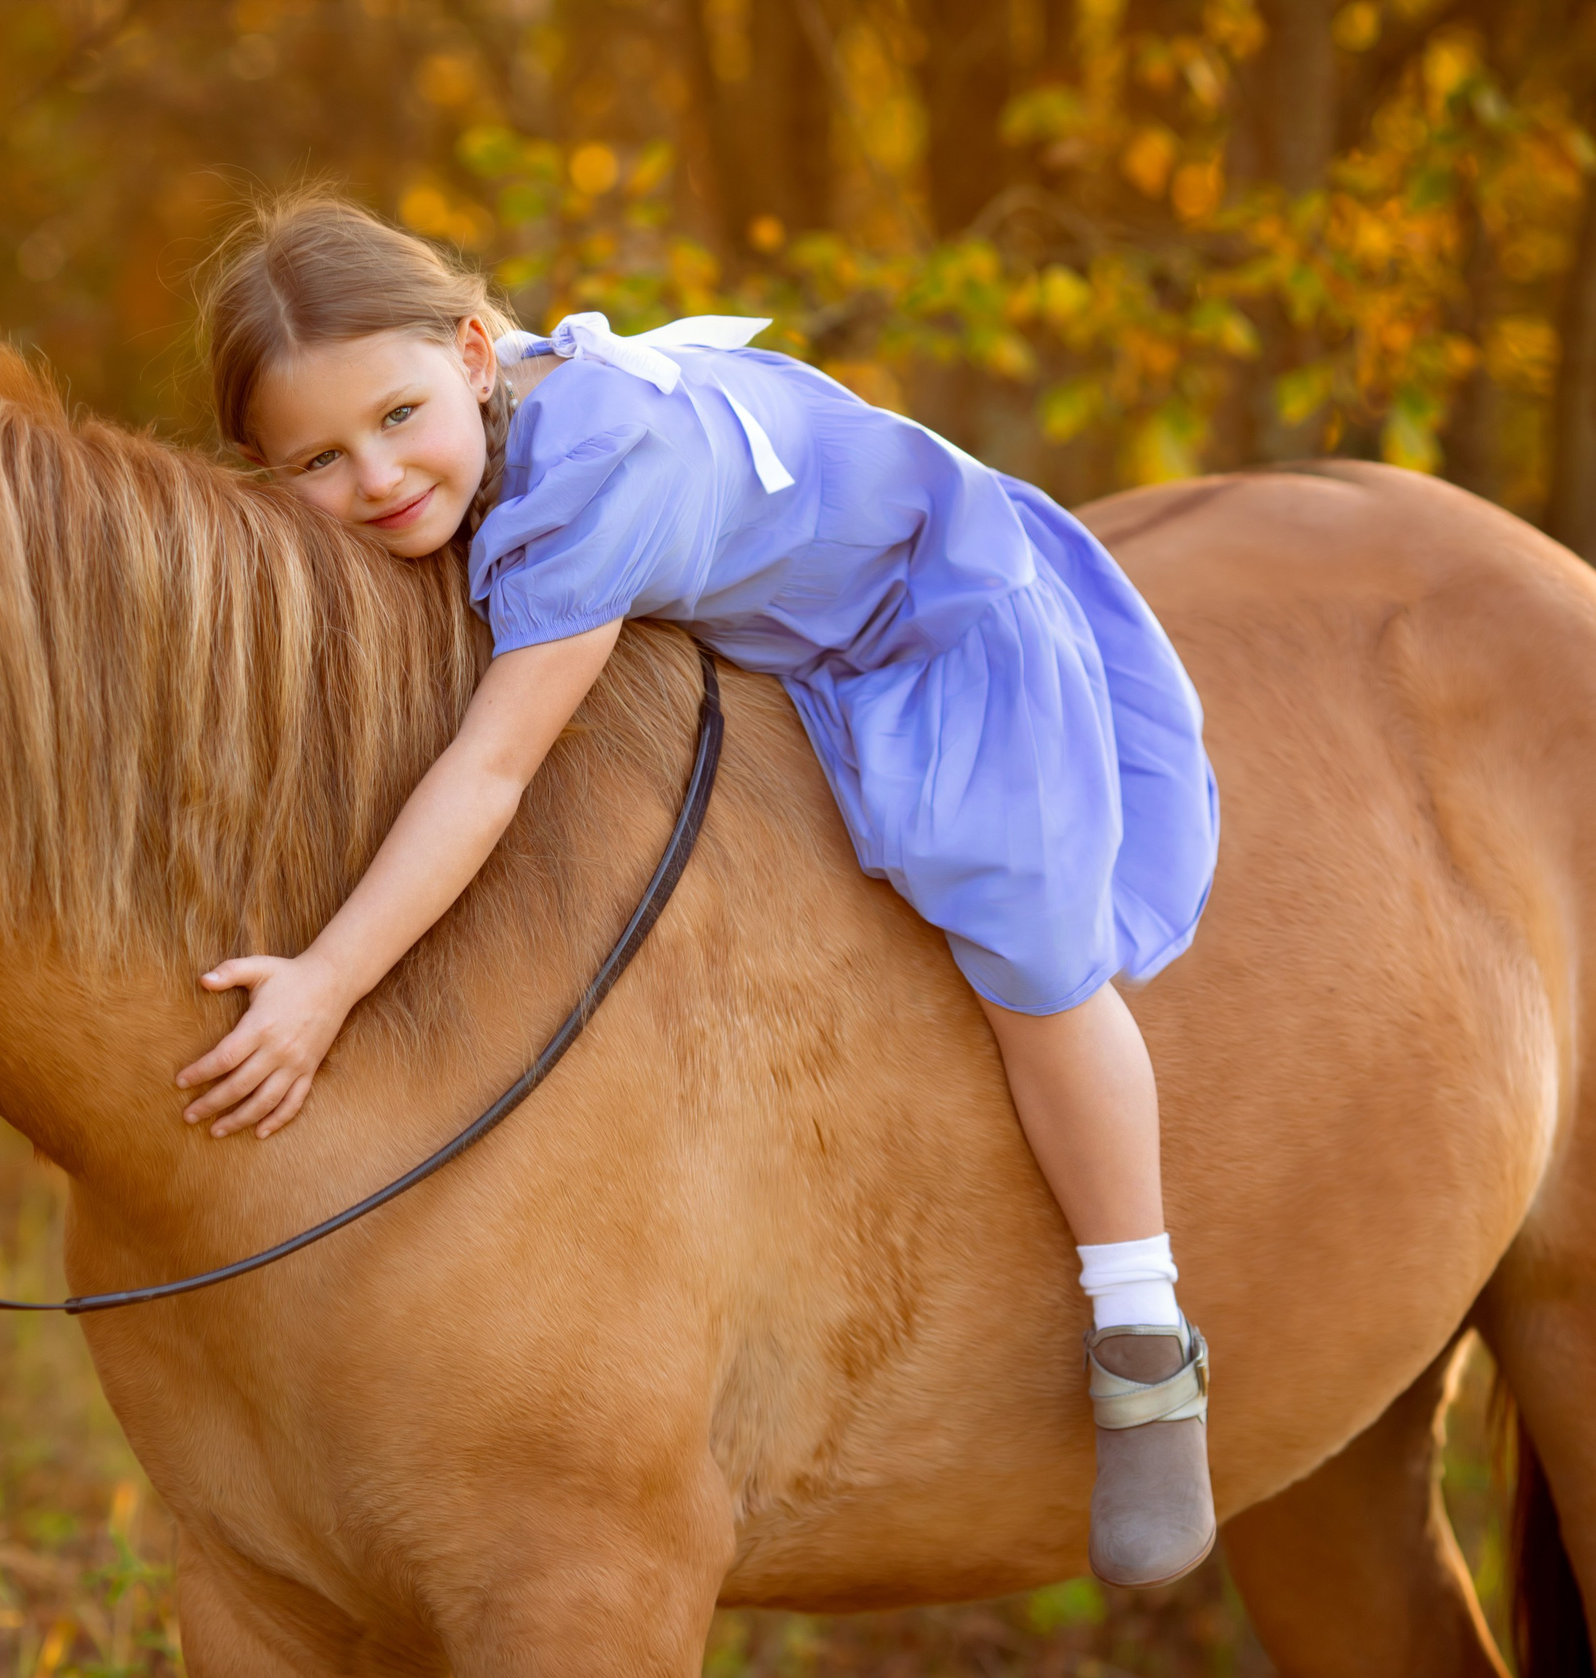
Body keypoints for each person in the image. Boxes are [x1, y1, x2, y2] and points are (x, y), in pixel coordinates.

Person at [175, 195, 1221, 1587]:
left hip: (928, 619)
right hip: (785, 627)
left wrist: (326, 984)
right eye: (316, 458)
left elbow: (492, 771)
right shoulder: (466, 432)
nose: (373, 477)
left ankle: (1142, 1333)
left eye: (396, 417)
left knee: (1031, 960)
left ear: (479, 353)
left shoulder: (594, 475)